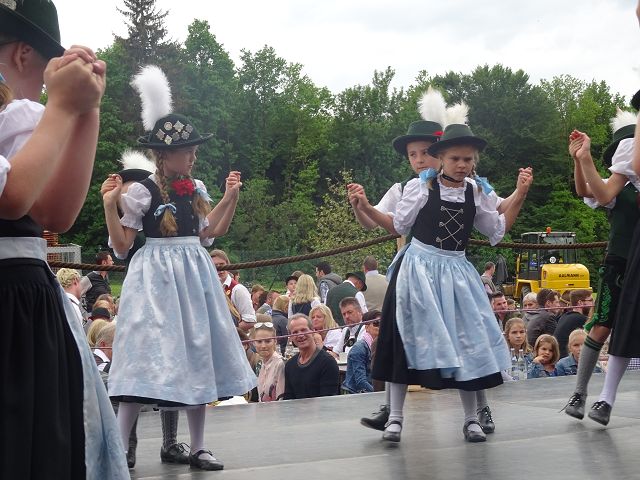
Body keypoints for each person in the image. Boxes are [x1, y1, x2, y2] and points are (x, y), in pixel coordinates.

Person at [102, 65, 255, 471]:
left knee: (197, 352)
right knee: (141, 355)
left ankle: (198, 446)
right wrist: (109, 206)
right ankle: (117, 449)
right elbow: (122, 246)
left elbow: (211, 232)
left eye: (193, 150)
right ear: (165, 155)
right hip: (155, 277)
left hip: (192, 273)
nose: (193, 156)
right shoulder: (142, 192)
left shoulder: (196, 187)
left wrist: (231, 197)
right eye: (187, 151)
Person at [0, 2, 128, 476]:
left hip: (23, 296)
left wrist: (87, 111)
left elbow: (56, 212)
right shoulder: (25, 113)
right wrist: (63, 107)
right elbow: (12, 198)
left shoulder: (22, 116)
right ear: (23, 54)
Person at [370, 118, 532, 443]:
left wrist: (521, 192)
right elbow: (398, 225)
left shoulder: (475, 191)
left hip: (456, 271)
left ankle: (471, 419)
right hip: (419, 269)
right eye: (455, 158)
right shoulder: (421, 187)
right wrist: (363, 206)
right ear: (441, 158)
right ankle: (395, 418)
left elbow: (496, 230)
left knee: (466, 341)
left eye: (467, 159)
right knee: (404, 340)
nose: (462, 164)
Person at [564, 114, 640, 424]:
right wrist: (580, 159)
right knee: (602, 324)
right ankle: (580, 392)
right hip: (619, 262)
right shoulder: (617, 188)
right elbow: (587, 190)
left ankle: (603, 399)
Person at [283, 314, 340, 399]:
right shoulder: (290, 365)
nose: (300, 335)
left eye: (303, 330)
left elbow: (328, 400)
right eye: (295, 332)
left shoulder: (327, 362)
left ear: (313, 331)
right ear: (290, 337)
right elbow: (288, 399)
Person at [210, 249, 256, 331]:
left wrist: (228, 332)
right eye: (215, 266)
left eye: (222, 265)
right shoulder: (209, 289)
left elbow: (250, 321)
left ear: (228, 265)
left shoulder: (238, 289)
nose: (220, 269)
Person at [342, 310, 381, 394]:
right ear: (366, 327)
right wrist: (380, 394)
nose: (380, 326)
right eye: (376, 323)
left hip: (371, 393)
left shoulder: (382, 346)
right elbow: (361, 382)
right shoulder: (359, 349)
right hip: (355, 394)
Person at [252, 322, 285, 402]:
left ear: (275, 341)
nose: (263, 346)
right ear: (253, 343)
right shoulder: (259, 364)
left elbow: (281, 399)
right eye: (259, 341)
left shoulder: (279, 364)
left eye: (268, 341)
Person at [553, 289, 592, 358]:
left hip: (557, 358)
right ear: (580, 302)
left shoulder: (565, 316)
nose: (593, 304)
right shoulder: (581, 319)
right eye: (590, 300)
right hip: (567, 359)